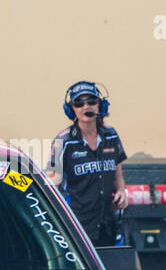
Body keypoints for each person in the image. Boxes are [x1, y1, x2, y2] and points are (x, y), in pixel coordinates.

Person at [46, 81, 128, 246]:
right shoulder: (63, 141)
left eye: (91, 101)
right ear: (71, 109)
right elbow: (52, 185)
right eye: (79, 103)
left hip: (108, 224)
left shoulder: (111, 136)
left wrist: (121, 190)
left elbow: (117, 173)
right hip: (78, 226)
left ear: (100, 106)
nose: (86, 107)